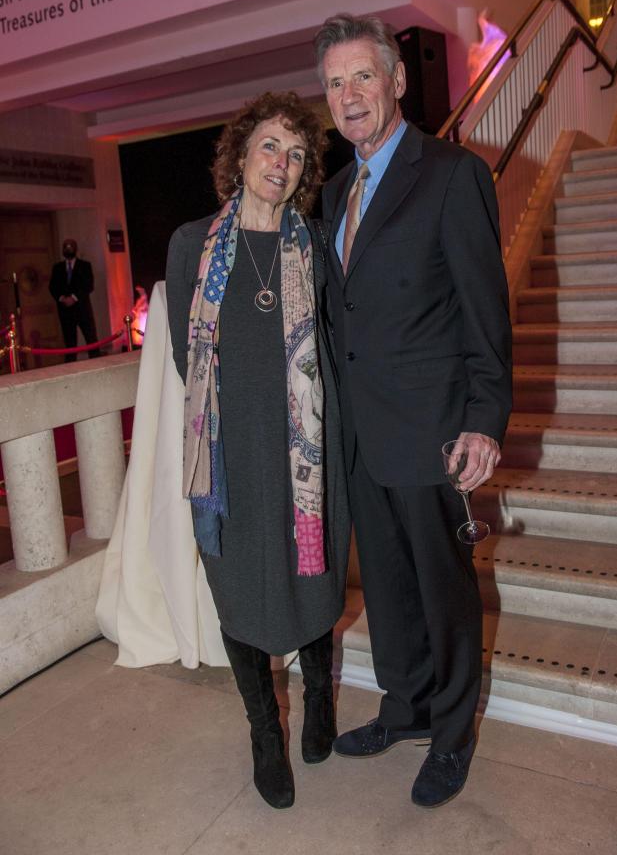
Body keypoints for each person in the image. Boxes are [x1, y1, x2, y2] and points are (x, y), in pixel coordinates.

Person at [314, 14, 513, 807]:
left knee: (443, 588)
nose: (348, 94)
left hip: (432, 427)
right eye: (333, 82)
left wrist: (483, 419)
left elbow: (483, 311)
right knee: (389, 587)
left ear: (397, 81)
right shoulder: (334, 189)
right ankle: (406, 709)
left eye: (362, 75)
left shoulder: (450, 174)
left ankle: (454, 732)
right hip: (360, 433)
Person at [165, 91, 350, 810]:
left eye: (297, 153)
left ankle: (320, 701)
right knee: (238, 584)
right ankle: (263, 733)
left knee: (312, 574)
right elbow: (189, 357)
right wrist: (230, 421)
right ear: (239, 155)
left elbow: (333, 341)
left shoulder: (313, 243)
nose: (282, 162)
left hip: (305, 448)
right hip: (230, 454)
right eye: (269, 145)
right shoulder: (191, 246)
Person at [48, 238, 100, 361]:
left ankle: (98, 364)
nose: (68, 248)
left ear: (75, 249)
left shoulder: (85, 265)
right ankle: (70, 370)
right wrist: (61, 298)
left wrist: (74, 298)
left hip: (83, 309)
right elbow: (52, 287)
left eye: (71, 246)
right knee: (70, 344)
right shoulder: (57, 268)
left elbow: (88, 285)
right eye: (66, 246)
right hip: (65, 311)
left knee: (91, 339)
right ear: (63, 250)